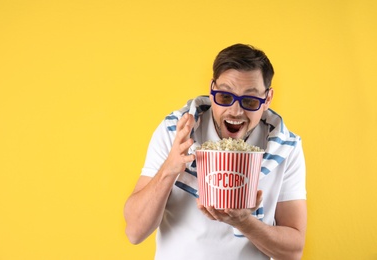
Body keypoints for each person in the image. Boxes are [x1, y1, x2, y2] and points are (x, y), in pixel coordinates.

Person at [124, 43, 307, 260]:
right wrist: (169, 169)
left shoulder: (286, 147)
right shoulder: (177, 131)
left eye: (249, 100)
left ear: (267, 99)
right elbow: (134, 232)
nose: (235, 111)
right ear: (212, 90)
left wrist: (242, 222)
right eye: (225, 97)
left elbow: (293, 252)